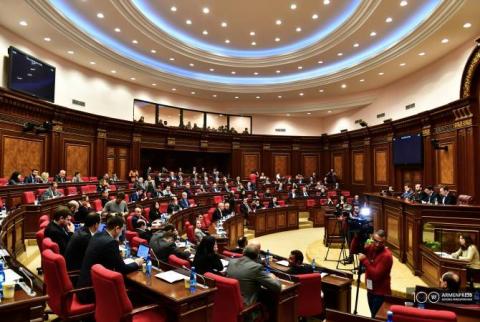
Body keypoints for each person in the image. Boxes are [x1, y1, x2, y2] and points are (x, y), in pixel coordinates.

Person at [77, 215, 143, 304]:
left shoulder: (97, 235)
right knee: (137, 292)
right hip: (92, 291)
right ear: (117, 228)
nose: (121, 233)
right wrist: (136, 263)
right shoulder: (111, 242)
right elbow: (122, 269)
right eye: (121, 230)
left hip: (82, 287)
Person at [358, 229, 393, 318]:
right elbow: (355, 249)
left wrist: (365, 260)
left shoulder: (387, 256)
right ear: (372, 239)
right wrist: (357, 236)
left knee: (376, 317)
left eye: (380, 242)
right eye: (376, 241)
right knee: (373, 315)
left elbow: (376, 275)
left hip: (380, 293)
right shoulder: (371, 247)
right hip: (370, 289)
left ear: (384, 242)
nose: (377, 244)